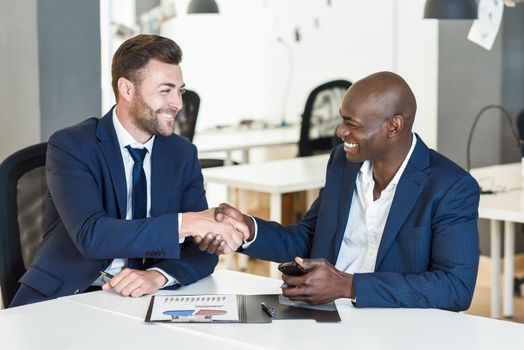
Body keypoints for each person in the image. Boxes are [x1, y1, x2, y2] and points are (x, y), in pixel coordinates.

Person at [196, 71, 480, 311]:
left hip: (393, 324)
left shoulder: (450, 186)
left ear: (393, 126)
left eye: (352, 124)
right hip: (323, 313)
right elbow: (309, 238)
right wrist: (248, 229)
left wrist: (349, 286)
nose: (341, 132)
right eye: (342, 120)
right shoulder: (343, 163)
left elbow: (455, 287)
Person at [10, 34, 248, 307]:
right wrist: (187, 222)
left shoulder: (182, 154)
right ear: (127, 89)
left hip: (142, 298)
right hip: (65, 296)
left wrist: (157, 275)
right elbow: (92, 235)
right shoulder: (72, 146)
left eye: (180, 91)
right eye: (165, 90)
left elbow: (200, 249)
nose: (177, 103)